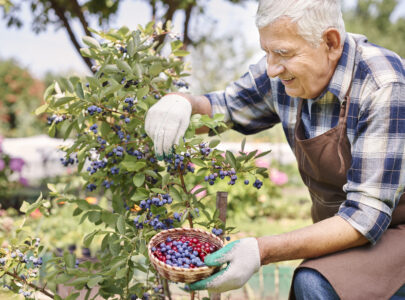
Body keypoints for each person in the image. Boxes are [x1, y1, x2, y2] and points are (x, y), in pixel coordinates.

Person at [145, 0, 405, 299]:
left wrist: (261, 250)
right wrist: (182, 104)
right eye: (266, 52)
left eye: (282, 53)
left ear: (330, 43)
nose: (271, 69)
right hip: (352, 229)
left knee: (315, 282)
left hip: (394, 229)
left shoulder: (383, 85)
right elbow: (224, 108)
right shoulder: (284, 74)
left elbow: (365, 218)